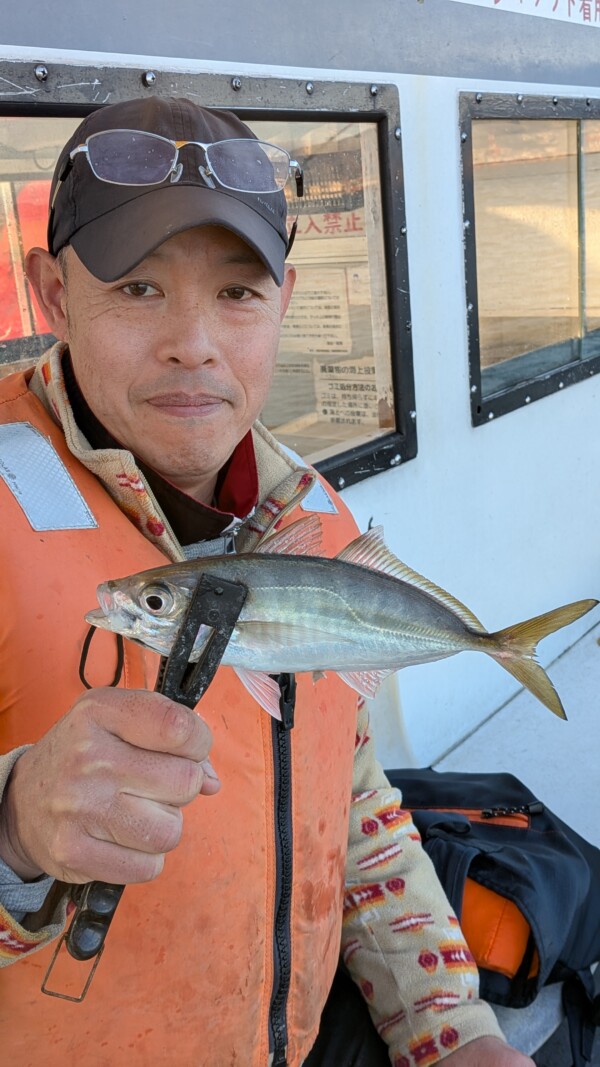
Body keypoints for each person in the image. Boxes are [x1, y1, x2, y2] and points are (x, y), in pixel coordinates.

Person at [0, 96, 534, 1067]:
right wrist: (15, 827)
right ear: (49, 291)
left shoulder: (317, 516)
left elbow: (357, 810)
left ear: (285, 297)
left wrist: (453, 1031)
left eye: (238, 292)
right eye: (136, 287)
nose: (193, 344)